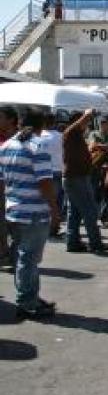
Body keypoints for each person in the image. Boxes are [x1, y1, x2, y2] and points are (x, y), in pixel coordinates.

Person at [0, 108, 59, 319]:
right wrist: (55, 209)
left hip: (14, 210)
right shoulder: (37, 146)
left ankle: (30, 296)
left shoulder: (6, 146)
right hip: (34, 212)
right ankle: (26, 302)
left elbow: (1, 182)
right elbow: (45, 182)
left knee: (22, 257)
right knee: (29, 259)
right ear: (41, 125)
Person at [63, 109, 108, 254]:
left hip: (77, 177)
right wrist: (89, 113)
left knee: (75, 212)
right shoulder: (71, 132)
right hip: (76, 178)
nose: (87, 125)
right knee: (90, 211)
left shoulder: (76, 136)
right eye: (84, 122)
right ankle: (95, 243)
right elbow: (82, 121)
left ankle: (73, 242)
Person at [88, 115, 108, 228]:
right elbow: (91, 147)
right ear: (100, 124)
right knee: (94, 192)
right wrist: (105, 146)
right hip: (95, 167)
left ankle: (105, 218)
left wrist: (99, 146)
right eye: (104, 124)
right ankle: (93, 216)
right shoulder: (94, 134)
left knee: (107, 193)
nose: (106, 126)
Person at [0, 106, 20, 271]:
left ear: (11, 120)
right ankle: (4, 255)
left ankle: (13, 256)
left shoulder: (21, 139)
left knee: (14, 226)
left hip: (17, 189)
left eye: (1, 117)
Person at [39, 114, 65, 237]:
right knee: (57, 200)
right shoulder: (61, 136)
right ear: (54, 122)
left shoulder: (39, 137)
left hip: (43, 172)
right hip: (58, 170)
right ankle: (54, 227)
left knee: (46, 200)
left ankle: (46, 228)